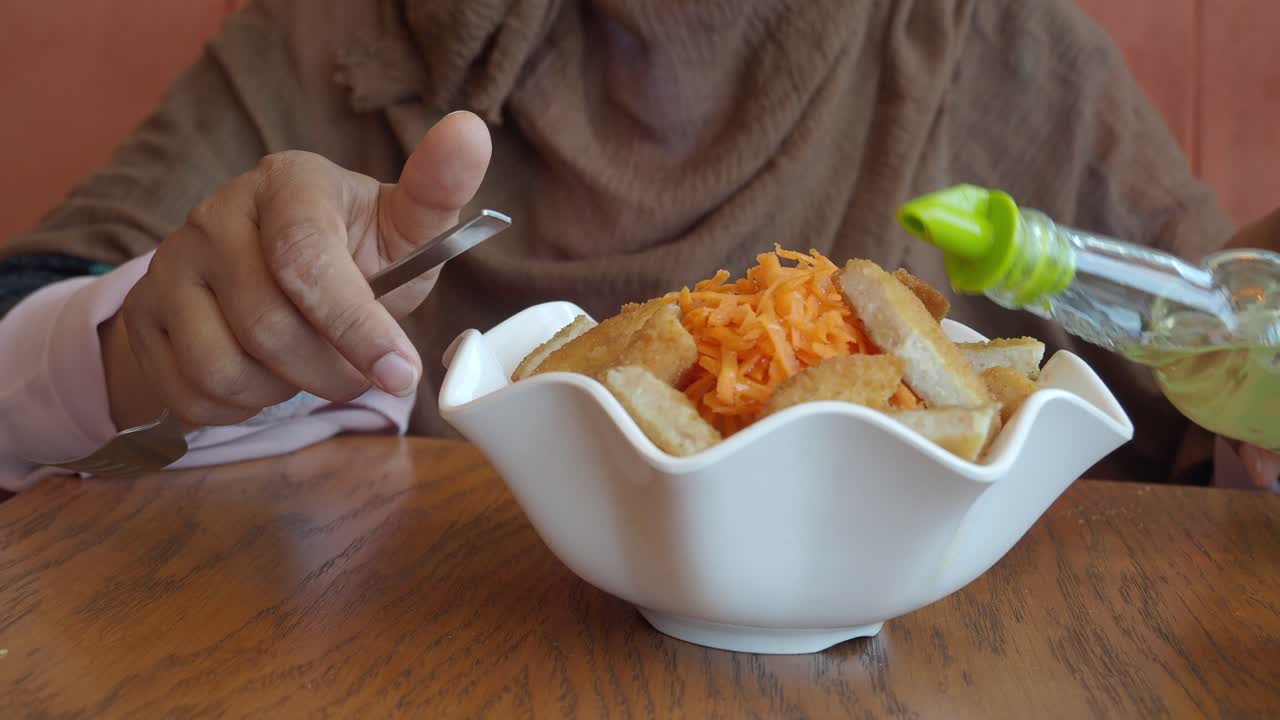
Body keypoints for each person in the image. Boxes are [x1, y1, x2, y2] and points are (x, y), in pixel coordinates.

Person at [0, 0, 1275, 492]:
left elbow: (1206, 402)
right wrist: (120, 350)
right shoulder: (332, 36)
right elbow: (32, 309)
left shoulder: (998, 52)